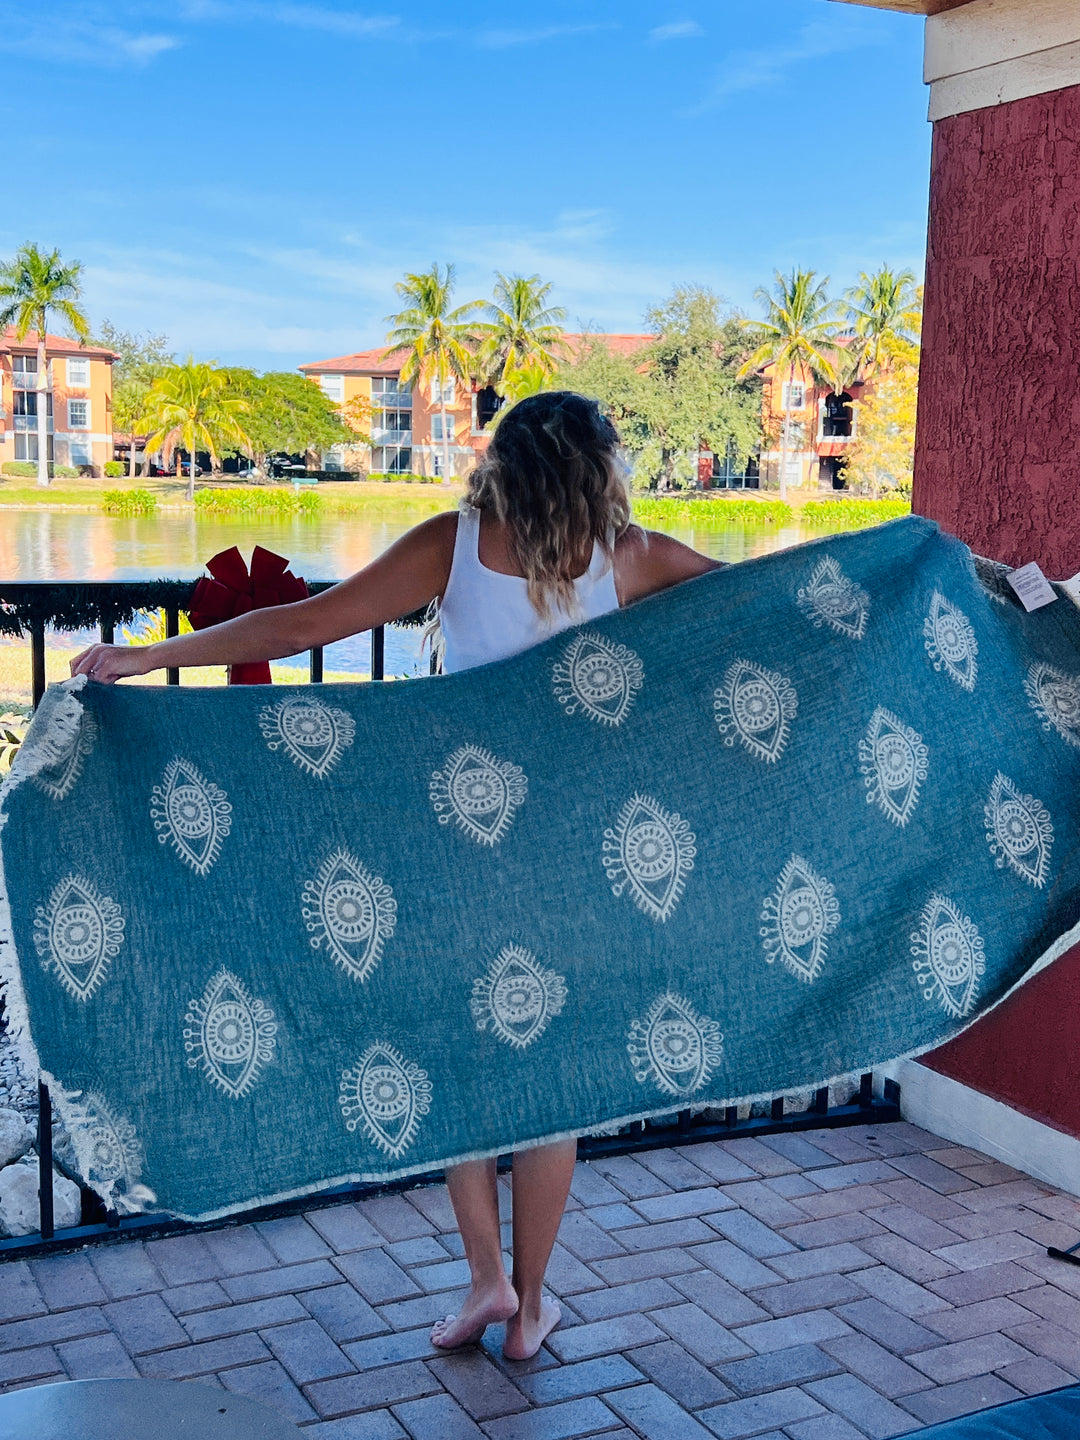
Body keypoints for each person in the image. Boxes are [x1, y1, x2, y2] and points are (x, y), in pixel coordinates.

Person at [71, 391, 721, 1359]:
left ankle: (487, 1281)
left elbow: (298, 628)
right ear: (595, 469)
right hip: (569, 864)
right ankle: (531, 1309)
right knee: (554, 1097)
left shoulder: (455, 547)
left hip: (451, 854)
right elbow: (778, 603)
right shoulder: (632, 560)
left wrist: (147, 656)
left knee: (455, 1065)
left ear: (505, 464)